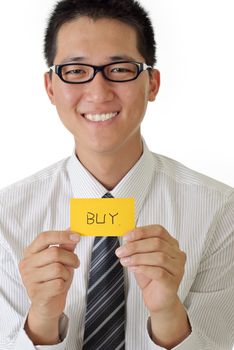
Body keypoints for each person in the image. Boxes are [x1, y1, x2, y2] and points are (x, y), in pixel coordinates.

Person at [0, 0, 233, 349]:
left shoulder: (219, 210)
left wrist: (169, 315)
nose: (98, 92)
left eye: (120, 69)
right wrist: (43, 320)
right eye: (76, 71)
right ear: (51, 87)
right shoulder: (8, 216)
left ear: (151, 83)